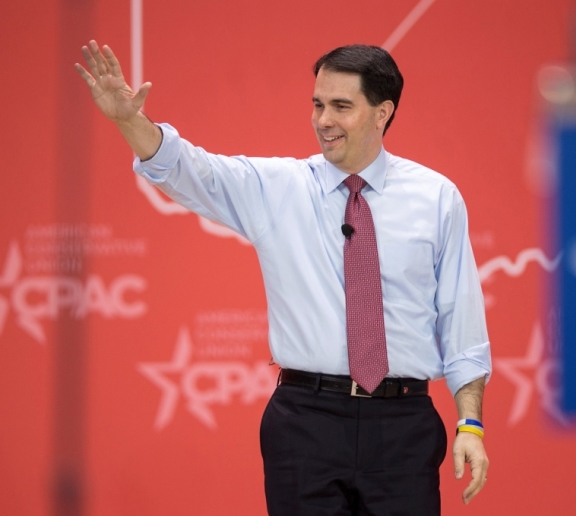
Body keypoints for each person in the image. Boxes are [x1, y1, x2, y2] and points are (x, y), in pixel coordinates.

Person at [76, 40, 491, 515]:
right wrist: (129, 120)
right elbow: (191, 171)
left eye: (341, 106)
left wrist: (471, 426)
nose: (323, 120)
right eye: (317, 104)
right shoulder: (279, 187)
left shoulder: (436, 197)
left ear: (383, 113)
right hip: (304, 424)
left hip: (403, 426)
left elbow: (462, 325)